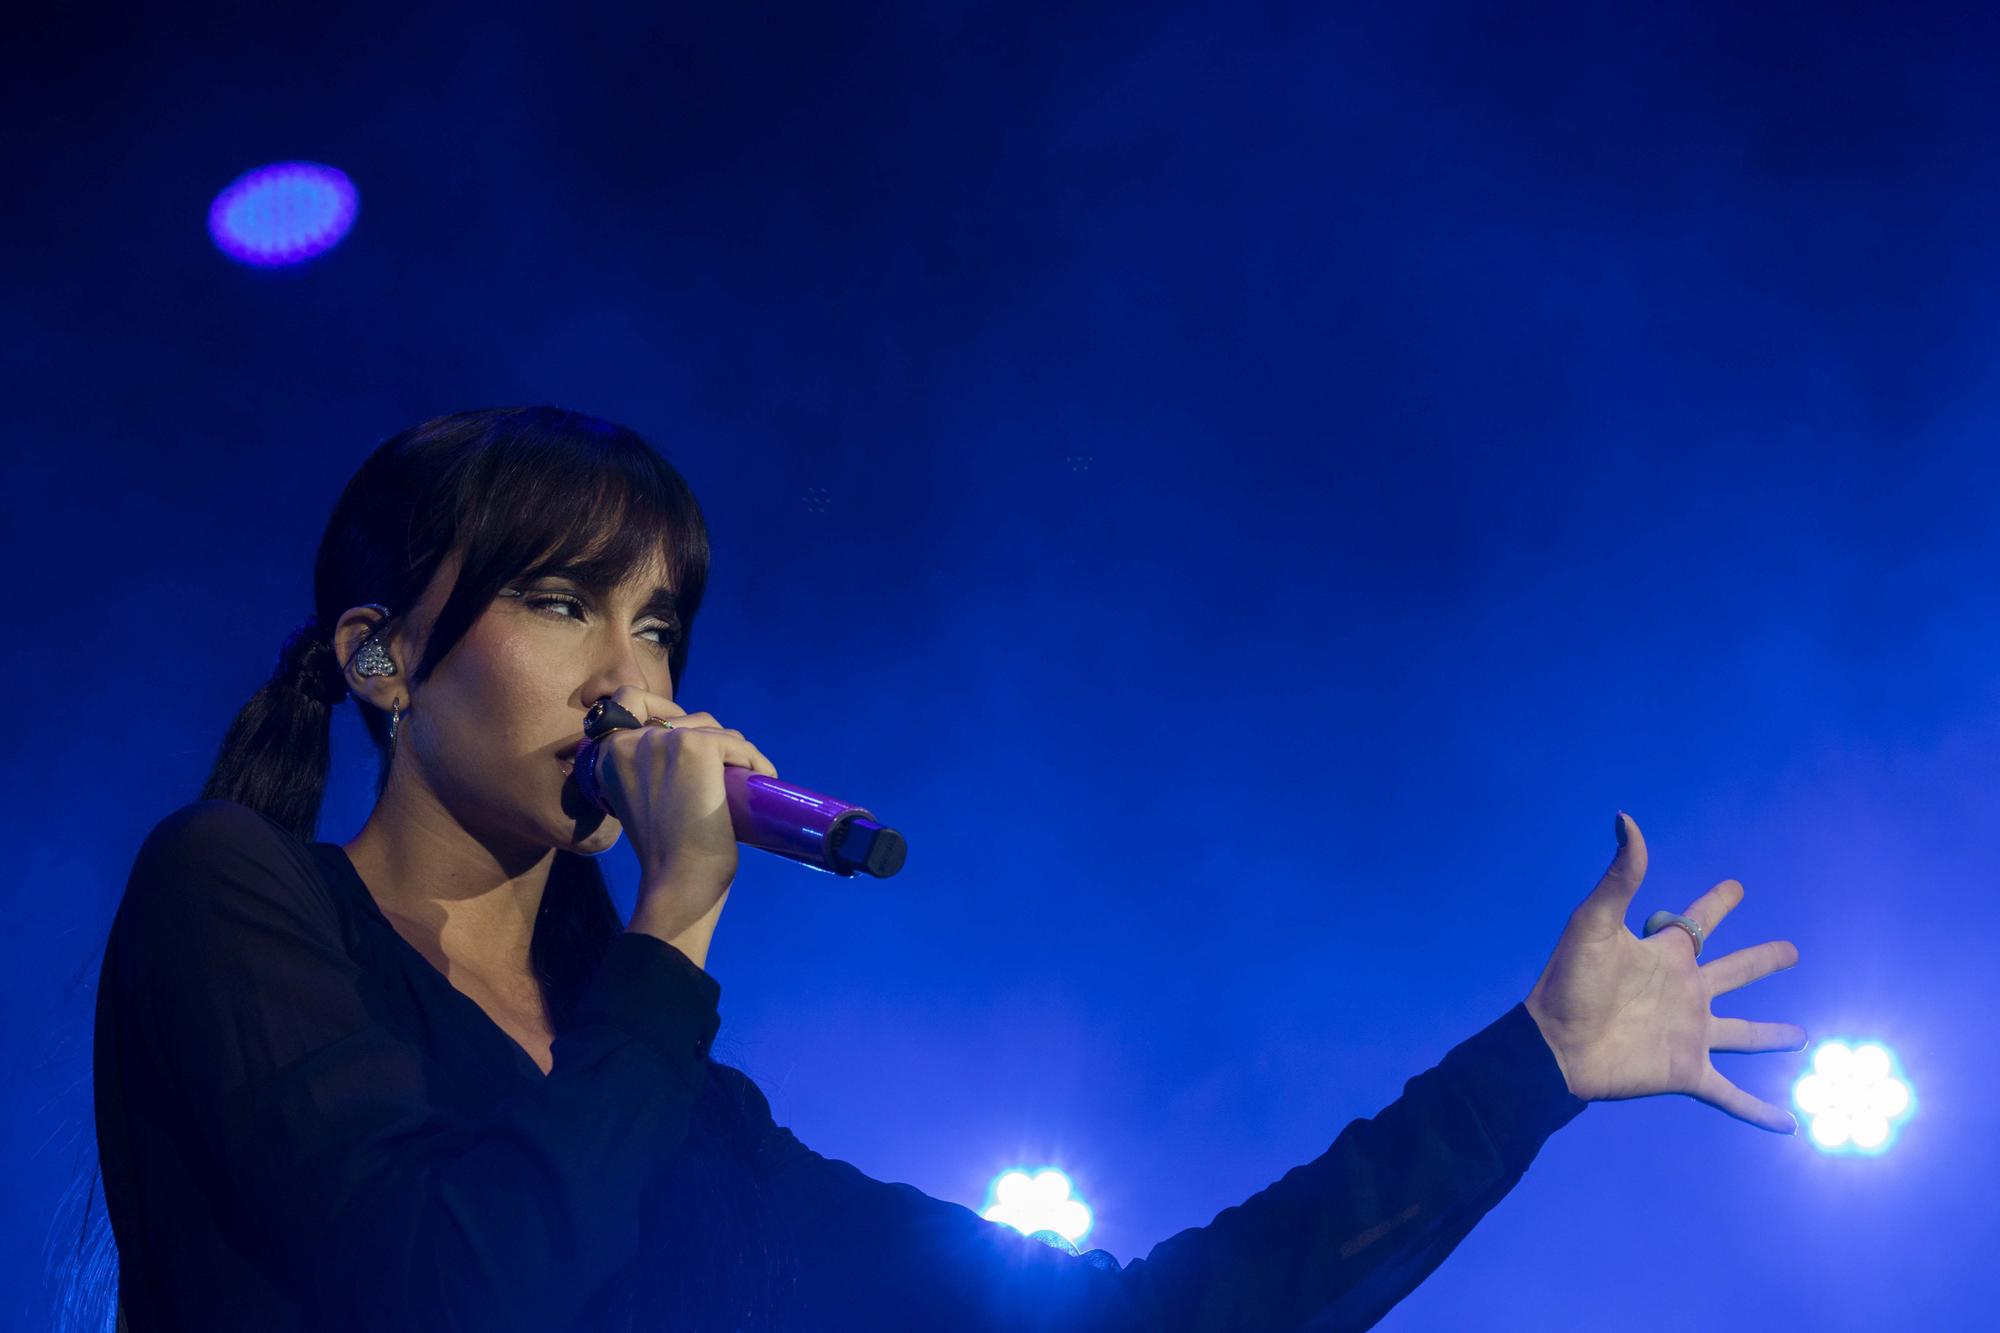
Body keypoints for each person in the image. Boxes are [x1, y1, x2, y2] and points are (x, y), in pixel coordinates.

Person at [91, 406, 1807, 1332]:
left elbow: (1136, 1325)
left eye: (660, 623)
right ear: (385, 661)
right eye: (561, 603)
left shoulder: (671, 1103)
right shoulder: (233, 892)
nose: (635, 680)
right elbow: (454, 1294)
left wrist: (1535, 1067)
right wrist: (674, 925)